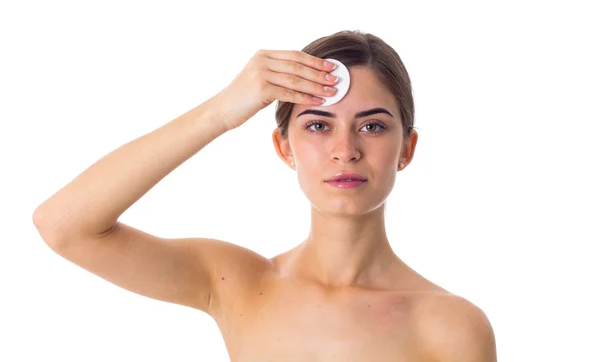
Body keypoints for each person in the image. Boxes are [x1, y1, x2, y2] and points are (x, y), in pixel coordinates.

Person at [33, 30, 497, 361]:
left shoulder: (451, 326)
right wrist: (221, 111)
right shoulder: (235, 284)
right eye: (318, 125)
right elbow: (64, 226)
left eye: (372, 126)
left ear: (406, 149)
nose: (345, 151)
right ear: (284, 147)